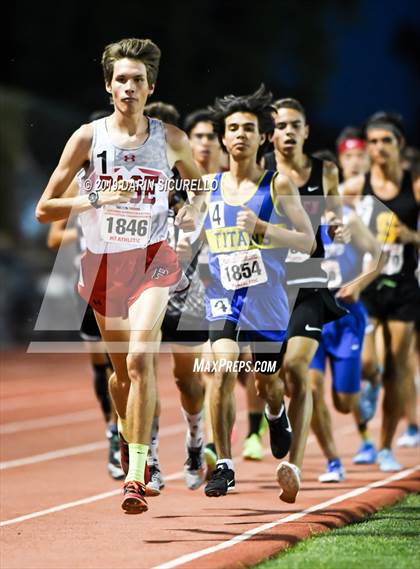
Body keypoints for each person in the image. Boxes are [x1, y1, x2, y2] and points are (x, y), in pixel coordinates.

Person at [36, 37, 205, 514]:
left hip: (154, 258)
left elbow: (196, 189)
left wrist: (191, 211)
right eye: (121, 79)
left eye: (137, 80)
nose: (129, 87)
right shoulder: (88, 139)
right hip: (104, 266)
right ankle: (129, 432)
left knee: (138, 360)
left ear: (151, 87)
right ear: (109, 86)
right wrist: (96, 199)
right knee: (119, 378)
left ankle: (137, 472)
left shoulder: (170, 138)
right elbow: (44, 209)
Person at [201, 85, 315, 500]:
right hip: (224, 299)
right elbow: (188, 233)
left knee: (268, 382)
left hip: (266, 302)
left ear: (262, 137)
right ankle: (225, 464)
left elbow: (307, 241)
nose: (241, 135)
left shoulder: (278, 185)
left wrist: (265, 229)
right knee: (222, 370)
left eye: (249, 128)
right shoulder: (208, 187)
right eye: (233, 129)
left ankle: (275, 410)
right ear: (223, 138)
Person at [264, 98, 348, 501]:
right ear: (272, 133)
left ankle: (293, 466)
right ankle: (274, 413)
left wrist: (337, 226)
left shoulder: (325, 171)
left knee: (298, 368)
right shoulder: (261, 173)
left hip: (309, 281)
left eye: (296, 124)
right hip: (266, 287)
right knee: (268, 380)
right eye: (281, 125)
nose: (289, 131)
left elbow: (334, 214)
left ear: (307, 131)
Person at [342, 111, 420, 471]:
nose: (377, 148)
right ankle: (368, 384)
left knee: (396, 369)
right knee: (370, 363)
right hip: (370, 286)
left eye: (385, 141)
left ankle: (386, 446)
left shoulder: (413, 184)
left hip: (403, 287)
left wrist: (410, 236)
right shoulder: (358, 186)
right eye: (372, 142)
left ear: (398, 144)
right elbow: (319, 209)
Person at [310, 185, 384, 482]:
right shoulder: (299, 218)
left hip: (345, 317)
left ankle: (373, 380)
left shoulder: (350, 219)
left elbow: (378, 256)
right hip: (312, 313)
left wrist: (358, 285)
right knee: (311, 388)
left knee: (343, 402)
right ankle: (333, 462)